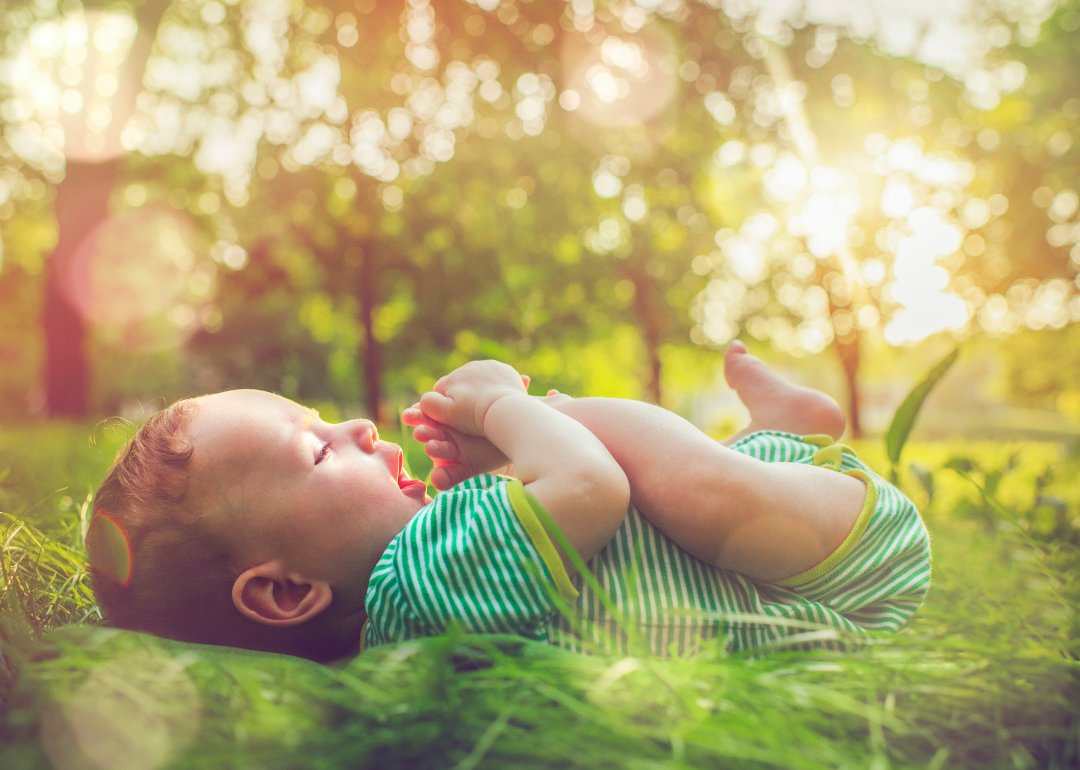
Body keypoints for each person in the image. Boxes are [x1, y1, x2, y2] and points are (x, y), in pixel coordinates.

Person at [87, 344, 930, 660]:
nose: (354, 425)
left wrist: (499, 469)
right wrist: (505, 408)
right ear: (286, 591)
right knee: (628, 451)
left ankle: (779, 435)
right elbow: (595, 486)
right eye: (316, 449)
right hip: (825, 565)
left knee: (686, 485)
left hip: (800, 556)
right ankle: (779, 438)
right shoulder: (417, 583)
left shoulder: (429, 588)